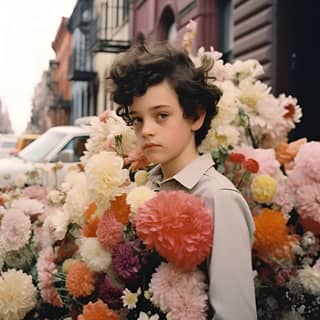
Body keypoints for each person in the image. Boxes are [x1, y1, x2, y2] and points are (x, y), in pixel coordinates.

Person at [109, 43, 257, 319]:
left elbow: (235, 313)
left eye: (161, 115)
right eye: (138, 120)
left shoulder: (218, 198)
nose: (147, 131)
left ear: (196, 116)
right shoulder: (146, 187)